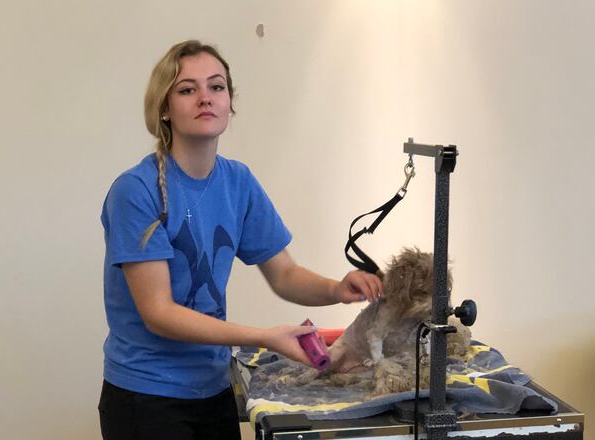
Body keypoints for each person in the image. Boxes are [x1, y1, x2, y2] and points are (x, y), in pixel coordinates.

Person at [98, 40, 383, 440]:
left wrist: (337, 288)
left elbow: (284, 274)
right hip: (145, 397)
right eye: (187, 89)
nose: (205, 98)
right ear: (164, 107)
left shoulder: (238, 182)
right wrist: (265, 337)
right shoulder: (136, 190)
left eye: (216, 87)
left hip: (213, 390)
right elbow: (158, 313)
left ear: (229, 102)